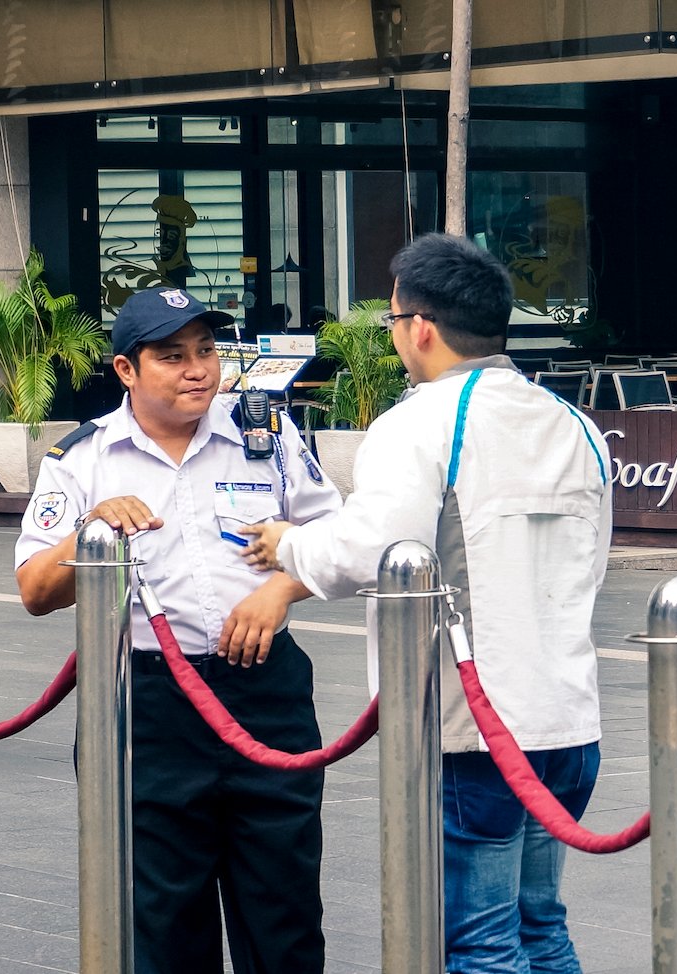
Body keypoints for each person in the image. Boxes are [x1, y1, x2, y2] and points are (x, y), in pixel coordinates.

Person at [239, 233, 612, 974]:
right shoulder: (573, 423)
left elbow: (371, 551)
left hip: (474, 731)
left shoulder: (419, 422)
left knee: (477, 943)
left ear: (420, 327)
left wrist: (285, 545)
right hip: (568, 721)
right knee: (540, 929)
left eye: (391, 319)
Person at [14, 286, 341, 974]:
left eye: (205, 351)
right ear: (126, 370)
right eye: (172, 356)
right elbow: (35, 591)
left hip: (262, 692)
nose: (198, 370)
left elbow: (335, 537)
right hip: (151, 703)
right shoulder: (83, 459)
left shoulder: (265, 435)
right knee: (164, 918)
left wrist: (280, 590)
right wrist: (91, 530)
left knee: (282, 910)